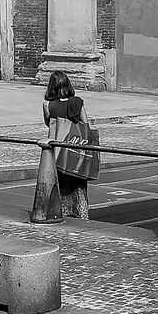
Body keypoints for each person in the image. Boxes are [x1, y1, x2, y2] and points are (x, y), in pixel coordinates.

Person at [43, 71, 98, 218]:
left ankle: (60, 210)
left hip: (58, 150)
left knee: (59, 181)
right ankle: (80, 212)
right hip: (76, 149)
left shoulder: (47, 105)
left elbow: (49, 124)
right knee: (78, 182)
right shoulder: (77, 102)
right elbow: (85, 124)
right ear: (68, 84)